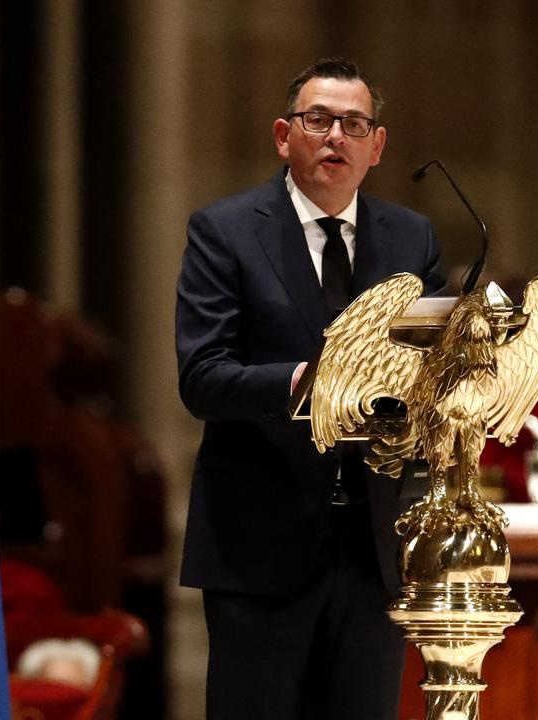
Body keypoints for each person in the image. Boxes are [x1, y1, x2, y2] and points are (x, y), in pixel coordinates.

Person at [175, 57, 447, 718]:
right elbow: (202, 377)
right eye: (318, 120)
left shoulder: (411, 238)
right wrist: (304, 382)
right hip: (260, 547)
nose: (336, 138)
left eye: (355, 125)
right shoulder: (225, 231)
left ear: (377, 146)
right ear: (282, 135)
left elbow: (434, 372)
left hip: (372, 549)